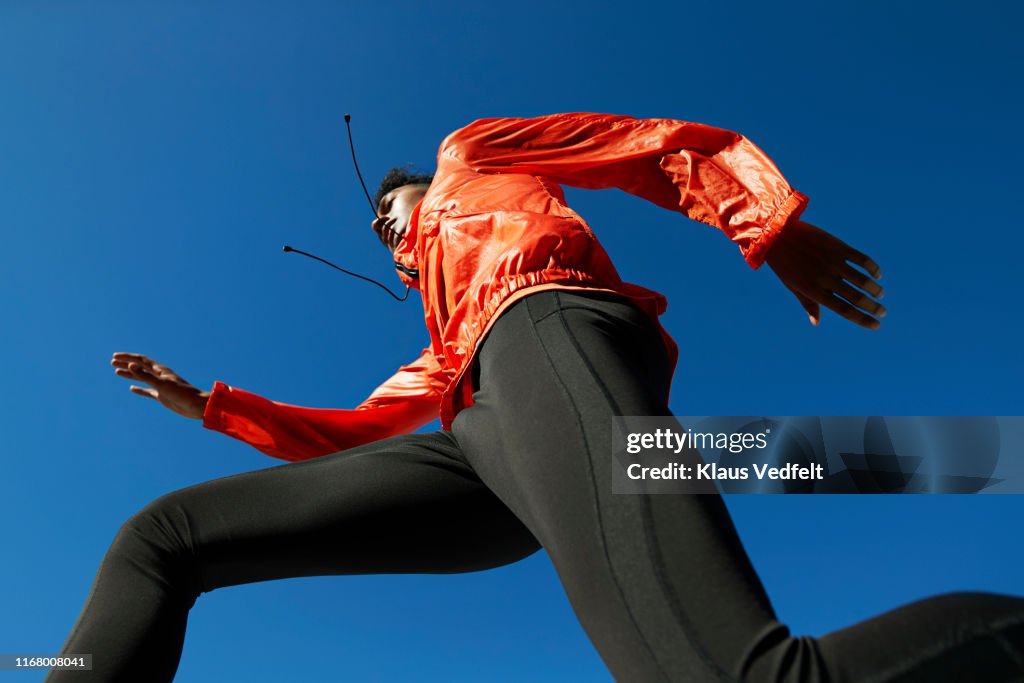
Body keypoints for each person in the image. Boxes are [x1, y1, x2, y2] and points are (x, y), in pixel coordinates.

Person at [49, 112, 1024, 682]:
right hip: (480, 435)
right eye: (384, 234)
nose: (394, 234)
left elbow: (645, 145)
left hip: (548, 333)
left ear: (421, 191)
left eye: (394, 212)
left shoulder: (472, 158)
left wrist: (762, 220)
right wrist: (213, 406)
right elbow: (351, 430)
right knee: (164, 536)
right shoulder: (443, 334)